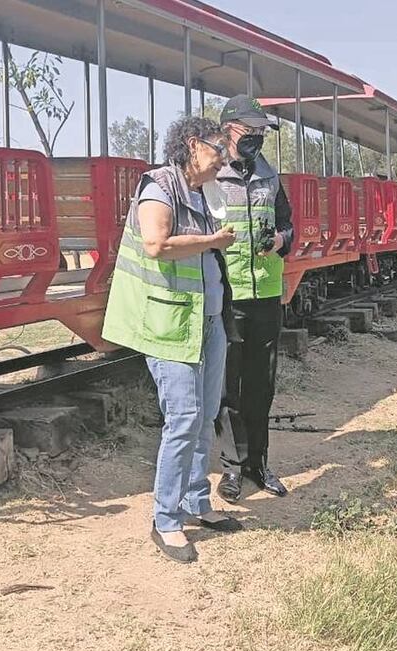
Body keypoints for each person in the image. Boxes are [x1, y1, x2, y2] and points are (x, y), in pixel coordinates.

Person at [101, 116, 242, 564]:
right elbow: (155, 245)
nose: (224, 156)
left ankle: (197, 502)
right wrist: (211, 241)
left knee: (206, 416)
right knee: (183, 417)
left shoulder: (205, 190)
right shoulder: (159, 186)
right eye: (218, 148)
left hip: (208, 320)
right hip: (168, 323)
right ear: (192, 144)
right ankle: (165, 519)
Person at [215, 95, 294, 504]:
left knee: (261, 386)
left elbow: (289, 226)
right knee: (228, 388)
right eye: (251, 131)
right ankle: (231, 467)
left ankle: (258, 464)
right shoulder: (212, 177)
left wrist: (280, 240)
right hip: (227, 298)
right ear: (229, 129)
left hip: (265, 294)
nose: (258, 139)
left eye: (262, 132)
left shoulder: (270, 176)